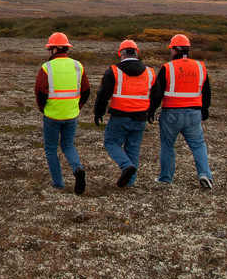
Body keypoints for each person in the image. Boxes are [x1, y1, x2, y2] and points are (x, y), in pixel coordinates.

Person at [148, 33, 213, 188]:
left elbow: (157, 93)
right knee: (198, 145)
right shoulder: (200, 67)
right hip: (193, 113)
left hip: (171, 114)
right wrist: (205, 109)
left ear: (174, 51)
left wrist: (150, 110)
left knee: (167, 145)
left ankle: (166, 178)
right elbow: (207, 91)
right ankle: (205, 174)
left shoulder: (167, 68)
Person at [94, 39, 155, 187]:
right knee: (133, 148)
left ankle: (126, 165)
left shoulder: (113, 71)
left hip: (120, 116)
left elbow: (103, 95)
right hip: (140, 117)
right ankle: (130, 182)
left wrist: (98, 112)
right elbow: (156, 94)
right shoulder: (150, 72)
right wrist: (151, 111)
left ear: (121, 54)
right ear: (136, 53)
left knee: (111, 143)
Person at [35, 32, 91, 194]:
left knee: (51, 149)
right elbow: (86, 90)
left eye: (49, 49)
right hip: (71, 114)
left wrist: (43, 109)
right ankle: (77, 168)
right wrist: (77, 106)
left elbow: (40, 92)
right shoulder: (78, 66)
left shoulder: (47, 68)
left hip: (52, 114)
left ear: (54, 49)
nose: (48, 52)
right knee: (68, 146)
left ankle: (58, 182)